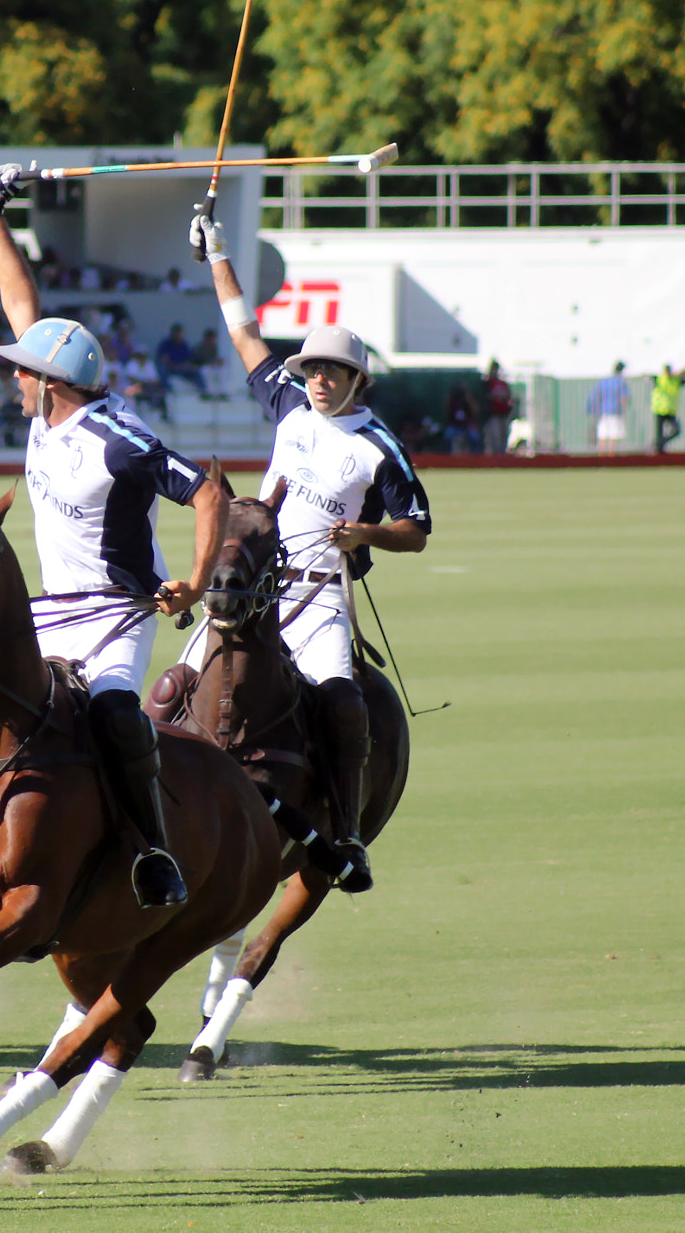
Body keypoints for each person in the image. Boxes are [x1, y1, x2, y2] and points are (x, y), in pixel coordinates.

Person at [0, 162, 225, 910]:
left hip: (116, 616)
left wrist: (192, 582)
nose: (12, 378)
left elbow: (207, 491)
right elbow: (19, 302)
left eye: (21, 372)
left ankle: (153, 849)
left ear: (50, 382)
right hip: (47, 611)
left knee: (116, 718)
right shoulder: (45, 411)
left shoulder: (120, 439)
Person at [185, 211, 433, 893]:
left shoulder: (379, 446)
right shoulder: (289, 405)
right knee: (175, 689)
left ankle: (348, 833)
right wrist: (219, 254)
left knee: (340, 699)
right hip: (251, 583)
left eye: (333, 371)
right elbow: (243, 331)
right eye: (314, 368)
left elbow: (417, 524)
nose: (319, 379)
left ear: (358, 380)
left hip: (322, 593)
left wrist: (365, 536)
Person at [587, 361, 629, 452]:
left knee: (603, 433)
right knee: (613, 434)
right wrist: (625, 409)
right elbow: (623, 398)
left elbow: (596, 395)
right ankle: (611, 453)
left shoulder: (604, 381)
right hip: (615, 410)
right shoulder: (621, 382)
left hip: (603, 410)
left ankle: (601, 452)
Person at [156, 323, 206, 395]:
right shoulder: (165, 344)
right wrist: (173, 365)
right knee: (161, 368)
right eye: (176, 333)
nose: (178, 335)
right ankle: (167, 390)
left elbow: (189, 359)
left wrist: (188, 366)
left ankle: (203, 391)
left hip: (181, 368)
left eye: (180, 333)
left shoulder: (184, 345)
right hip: (170, 368)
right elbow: (164, 360)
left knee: (196, 371)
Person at [482, 361, 515, 453]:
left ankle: (503, 458)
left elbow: (508, 396)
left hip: (504, 414)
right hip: (493, 414)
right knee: (495, 439)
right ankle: (495, 459)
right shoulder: (488, 383)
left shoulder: (503, 383)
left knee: (504, 437)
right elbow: (487, 396)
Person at [652, 363, 683, 454]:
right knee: (659, 432)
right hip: (660, 409)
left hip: (671, 410)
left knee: (676, 430)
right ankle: (659, 449)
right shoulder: (660, 379)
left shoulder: (675, 380)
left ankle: (659, 443)